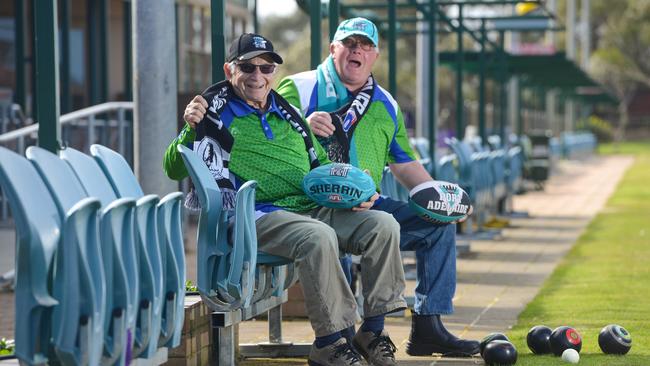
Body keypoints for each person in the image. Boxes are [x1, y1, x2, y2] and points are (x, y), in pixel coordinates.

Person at [163, 33, 407, 366]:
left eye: (266, 67)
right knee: (317, 237)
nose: (257, 76)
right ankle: (331, 343)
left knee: (383, 224)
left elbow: (321, 163)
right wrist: (190, 127)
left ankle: (373, 330)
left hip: (310, 207)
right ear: (229, 69)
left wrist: (355, 193)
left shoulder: (288, 112)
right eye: (247, 67)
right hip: (257, 214)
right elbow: (173, 165)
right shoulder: (213, 113)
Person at [276, 18, 480, 357]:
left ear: (375, 56)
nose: (357, 49)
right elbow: (272, 141)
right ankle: (341, 337)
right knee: (336, 241)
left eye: (365, 45)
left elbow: (402, 163)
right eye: (349, 43)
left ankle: (425, 327)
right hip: (311, 208)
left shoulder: (385, 103)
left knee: (438, 226)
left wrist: (444, 200)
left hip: (369, 204)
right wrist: (303, 125)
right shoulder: (299, 87)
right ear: (333, 49)